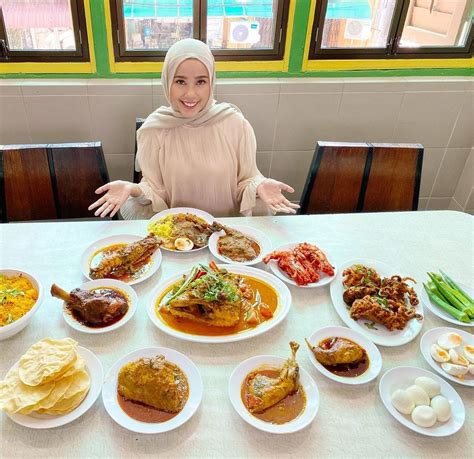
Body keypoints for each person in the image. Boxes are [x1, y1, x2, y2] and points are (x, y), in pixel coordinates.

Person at [89, 38, 299, 219]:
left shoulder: (236, 124)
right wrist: (132, 189)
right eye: (180, 81)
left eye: (200, 82)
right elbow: (155, 193)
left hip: (224, 238)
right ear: (167, 81)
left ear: (212, 82)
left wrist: (259, 186)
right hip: (178, 239)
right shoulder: (153, 130)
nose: (190, 94)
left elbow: (245, 182)